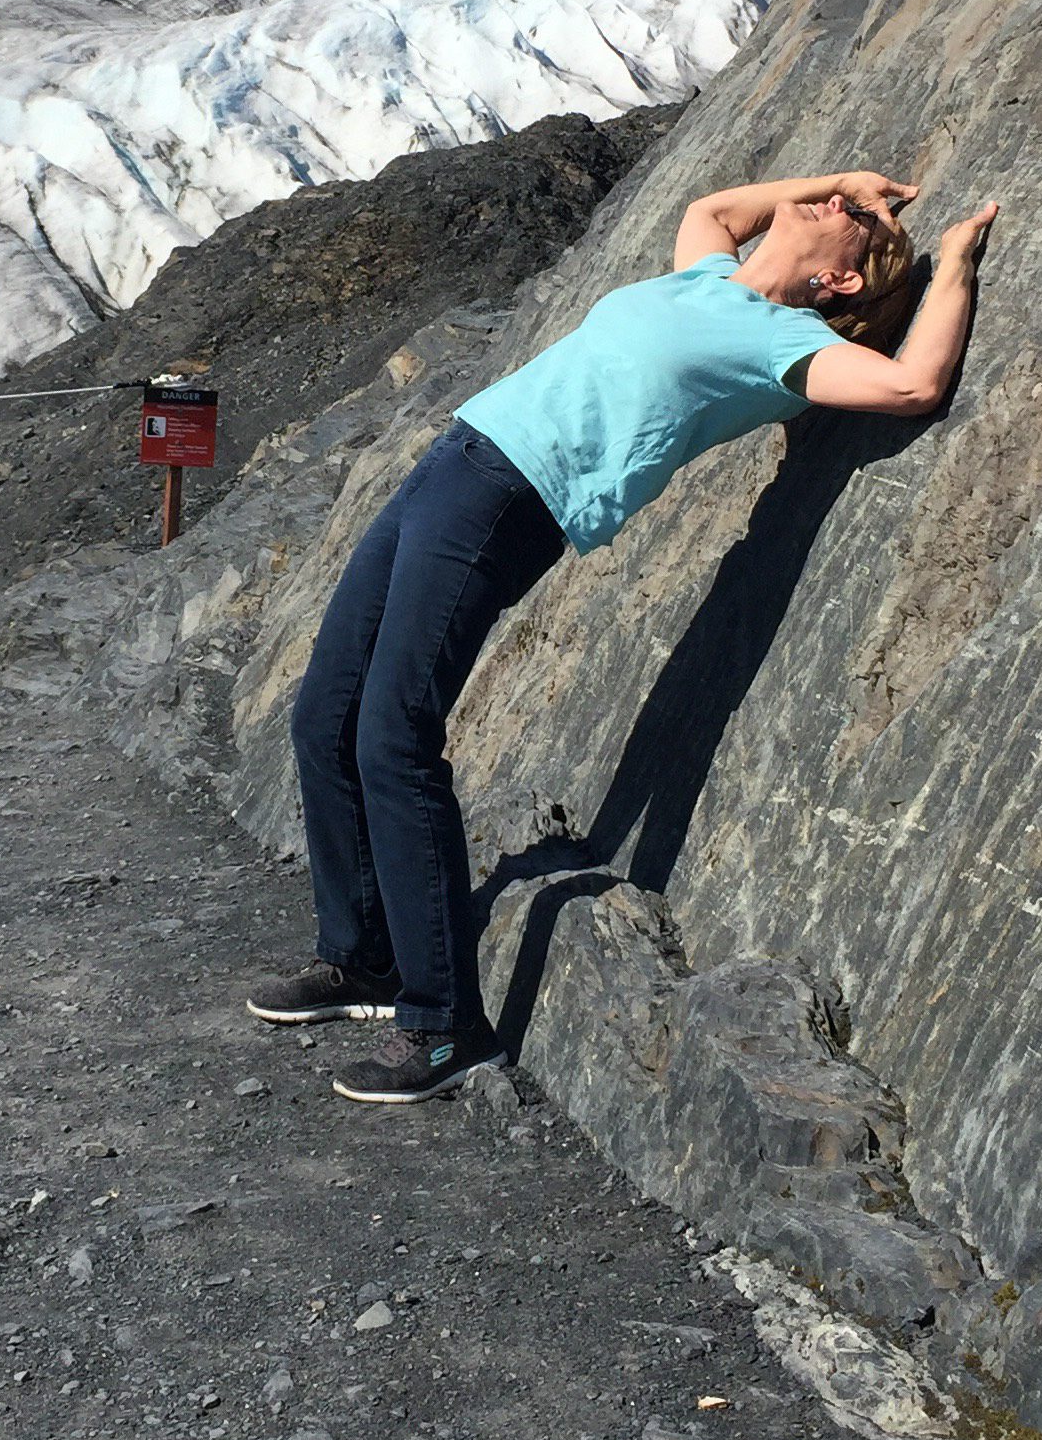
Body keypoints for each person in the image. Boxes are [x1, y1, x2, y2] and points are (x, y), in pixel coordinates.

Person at [245, 168, 998, 1102]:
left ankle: (444, 1026)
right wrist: (839, 180)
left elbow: (913, 385)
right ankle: (363, 957)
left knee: (393, 736)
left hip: (508, 499)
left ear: (839, 281)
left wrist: (952, 260)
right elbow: (712, 211)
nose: (838, 206)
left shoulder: (786, 343)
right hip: (452, 462)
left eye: (853, 221)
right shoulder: (706, 279)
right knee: (326, 714)